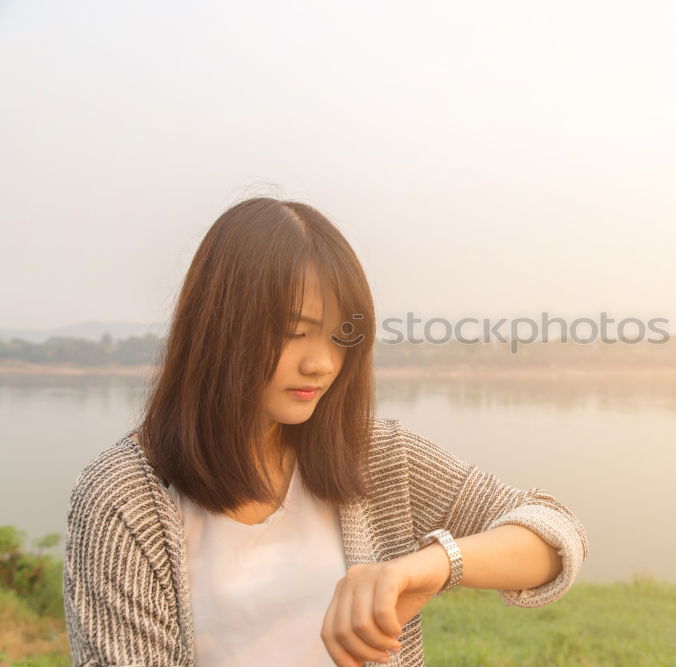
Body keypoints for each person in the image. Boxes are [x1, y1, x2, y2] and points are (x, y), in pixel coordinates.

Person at [61, 196, 590, 667]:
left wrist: (429, 566)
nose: (321, 364)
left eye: (341, 336)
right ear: (219, 327)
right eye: (294, 333)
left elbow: (555, 534)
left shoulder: (375, 454)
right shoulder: (122, 500)